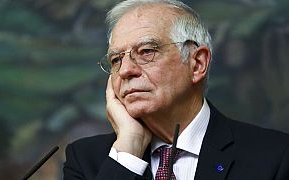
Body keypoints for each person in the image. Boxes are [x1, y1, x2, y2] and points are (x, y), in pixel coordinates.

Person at [63, 0, 289, 179]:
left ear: (197, 64)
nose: (125, 71)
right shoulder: (87, 160)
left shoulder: (275, 156)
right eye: (116, 60)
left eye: (146, 51)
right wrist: (128, 152)